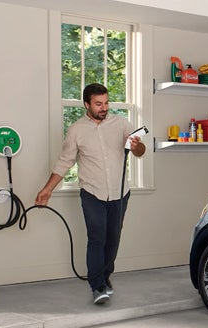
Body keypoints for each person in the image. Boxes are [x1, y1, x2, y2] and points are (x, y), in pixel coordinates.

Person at [35, 83, 146, 305]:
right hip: (92, 193)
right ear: (87, 104)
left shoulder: (121, 124)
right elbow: (65, 161)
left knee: (112, 239)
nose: (103, 108)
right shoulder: (77, 130)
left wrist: (136, 146)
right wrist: (47, 190)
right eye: (98, 104)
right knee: (97, 237)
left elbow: (140, 151)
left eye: (106, 103)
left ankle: (105, 277)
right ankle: (96, 286)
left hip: (119, 193)